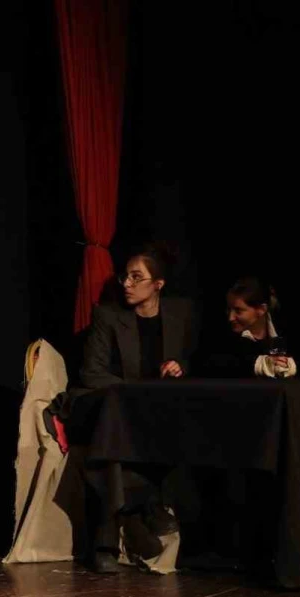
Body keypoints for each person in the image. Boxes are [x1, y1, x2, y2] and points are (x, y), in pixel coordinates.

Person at [77, 243, 198, 573]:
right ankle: (111, 535)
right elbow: (91, 373)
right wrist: (136, 394)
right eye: (125, 277)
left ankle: (137, 514)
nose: (127, 284)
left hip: (160, 408)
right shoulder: (108, 316)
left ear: (158, 284)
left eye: (136, 277)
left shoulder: (181, 314)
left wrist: (181, 366)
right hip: (113, 403)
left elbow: (197, 358)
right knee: (114, 430)